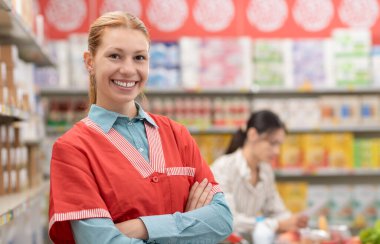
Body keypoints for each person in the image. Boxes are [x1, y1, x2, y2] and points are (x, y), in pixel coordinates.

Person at [48, 11, 232, 244]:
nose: (128, 69)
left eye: (139, 58)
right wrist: (188, 226)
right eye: (115, 56)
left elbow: (222, 219)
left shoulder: (177, 135)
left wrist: (140, 228)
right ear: (90, 62)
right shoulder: (72, 150)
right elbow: (101, 241)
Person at [211, 110, 308, 242]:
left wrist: (293, 221)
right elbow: (228, 220)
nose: (277, 151)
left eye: (279, 145)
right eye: (272, 143)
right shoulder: (223, 168)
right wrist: (276, 225)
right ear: (252, 135)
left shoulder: (266, 170)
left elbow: (276, 209)